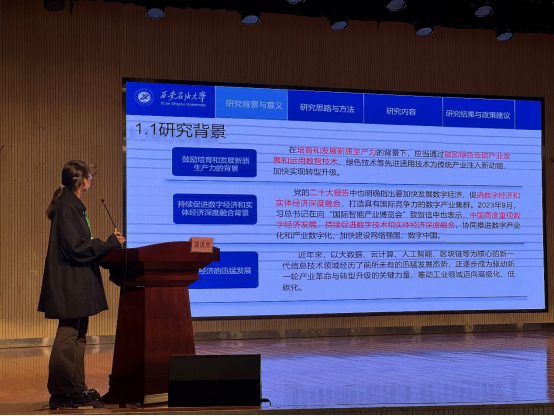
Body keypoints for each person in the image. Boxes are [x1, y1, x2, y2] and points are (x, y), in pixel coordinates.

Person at [38, 160, 125, 410]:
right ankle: (62, 391)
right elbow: (76, 247)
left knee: (78, 335)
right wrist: (107, 244)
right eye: (90, 176)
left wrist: (105, 246)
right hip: (69, 282)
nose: (91, 181)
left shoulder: (73, 206)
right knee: (68, 334)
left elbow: (80, 245)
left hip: (77, 281)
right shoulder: (66, 207)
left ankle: (76, 387)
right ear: (81, 180)